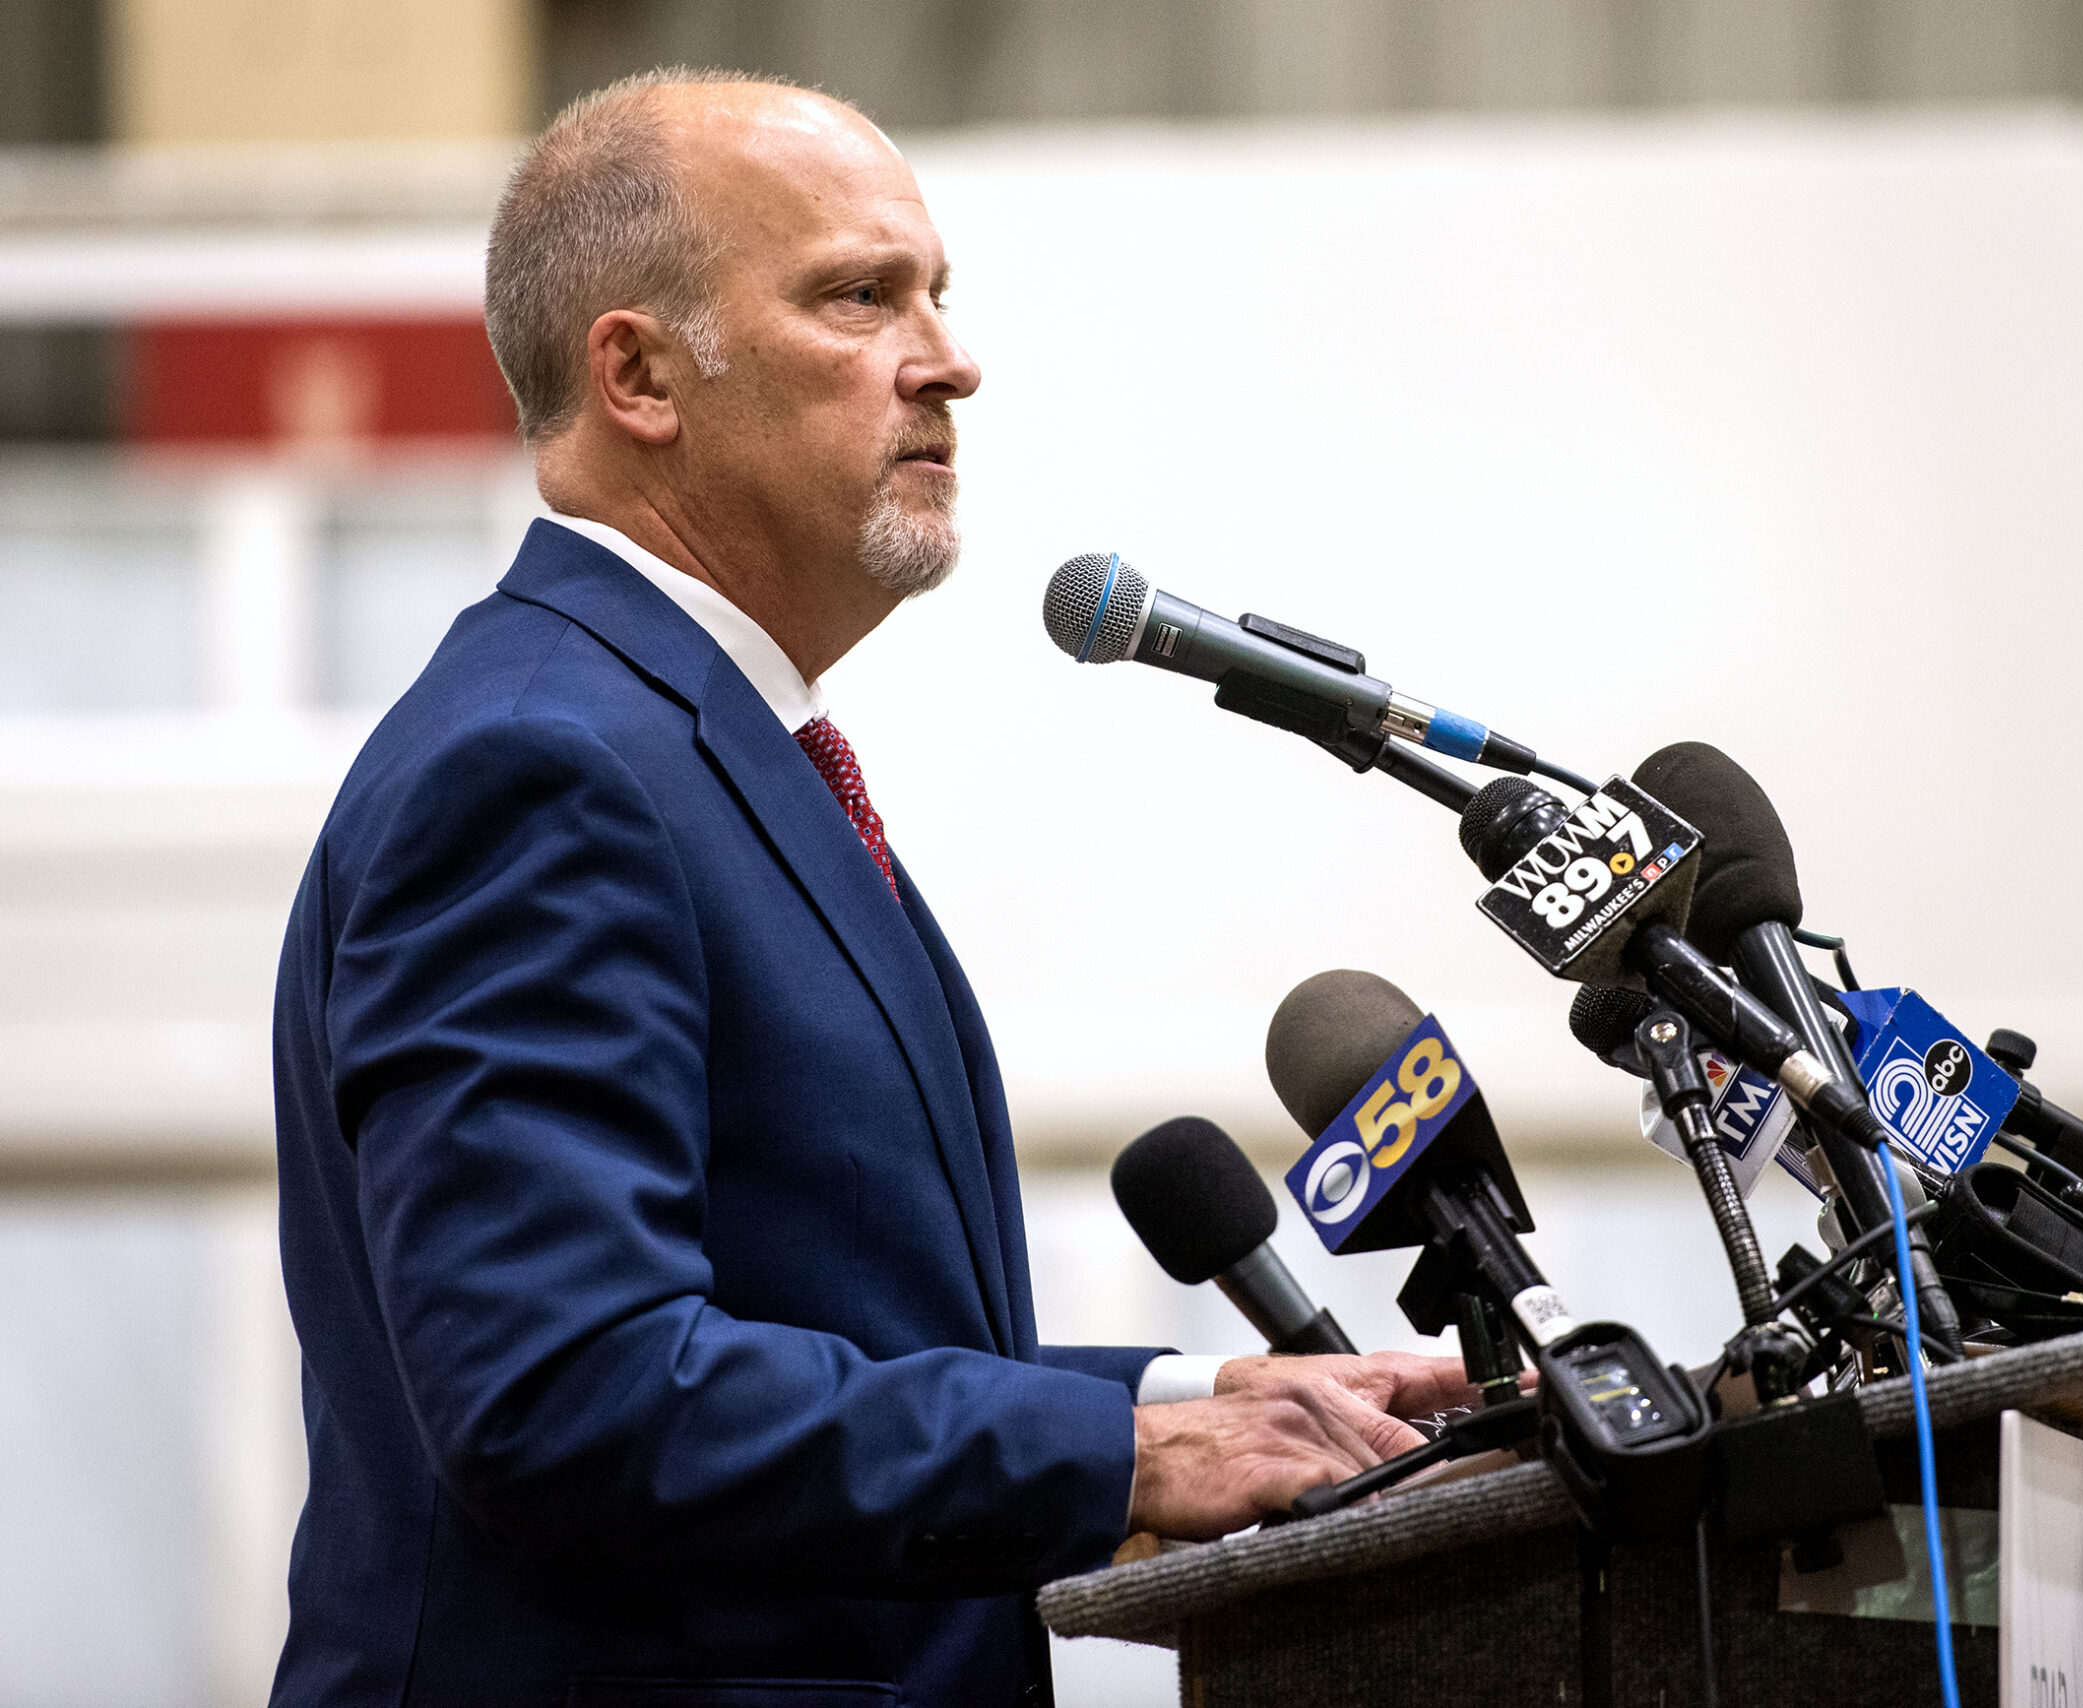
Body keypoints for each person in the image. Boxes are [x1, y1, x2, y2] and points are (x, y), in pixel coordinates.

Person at [269, 70, 1474, 1708]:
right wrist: (1126, 1461)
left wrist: (1222, 1399)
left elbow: (826, 1337)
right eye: (859, 294)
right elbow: (571, 1390)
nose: (951, 360)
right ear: (637, 373)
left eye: (939, 296)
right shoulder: (542, 768)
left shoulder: (686, 745)